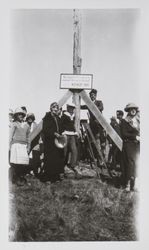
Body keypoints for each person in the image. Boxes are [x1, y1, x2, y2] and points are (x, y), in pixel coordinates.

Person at [40, 102, 65, 183]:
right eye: (54, 107)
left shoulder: (58, 118)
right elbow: (45, 129)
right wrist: (54, 134)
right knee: (49, 159)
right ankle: (48, 178)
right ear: (51, 108)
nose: (55, 109)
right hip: (49, 142)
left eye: (57, 108)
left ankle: (56, 177)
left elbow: (61, 128)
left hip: (57, 142)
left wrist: (61, 133)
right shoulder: (47, 118)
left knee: (57, 159)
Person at [120, 103, 140, 191]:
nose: (133, 110)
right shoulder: (125, 121)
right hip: (128, 145)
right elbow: (124, 134)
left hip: (137, 145)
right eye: (131, 109)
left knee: (137, 164)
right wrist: (134, 137)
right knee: (129, 163)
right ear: (128, 111)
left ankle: (134, 185)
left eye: (135, 109)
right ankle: (127, 184)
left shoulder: (138, 121)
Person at [9, 107, 31, 185]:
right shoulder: (14, 124)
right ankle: (15, 179)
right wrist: (9, 146)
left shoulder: (27, 125)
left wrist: (28, 147)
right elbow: (10, 135)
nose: (20, 116)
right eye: (18, 114)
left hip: (23, 146)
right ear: (16, 116)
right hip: (16, 145)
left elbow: (28, 137)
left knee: (22, 163)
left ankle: (21, 178)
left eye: (21, 114)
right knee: (16, 163)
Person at [88, 89, 106, 166]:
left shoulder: (99, 102)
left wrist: (92, 105)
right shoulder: (88, 103)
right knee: (93, 144)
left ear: (95, 96)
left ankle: (101, 160)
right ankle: (94, 159)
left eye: (93, 95)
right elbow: (83, 106)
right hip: (92, 126)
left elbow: (101, 108)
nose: (92, 96)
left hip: (99, 126)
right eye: (91, 95)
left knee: (100, 144)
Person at [61, 103, 78, 170]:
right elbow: (61, 124)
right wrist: (63, 132)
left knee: (74, 150)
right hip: (66, 134)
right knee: (64, 150)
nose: (71, 109)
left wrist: (75, 131)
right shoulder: (64, 115)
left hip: (72, 135)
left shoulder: (73, 116)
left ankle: (72, 165)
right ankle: (62, 164)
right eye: (70, 108)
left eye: (73, 108)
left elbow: (73, 125)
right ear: (67, 108)